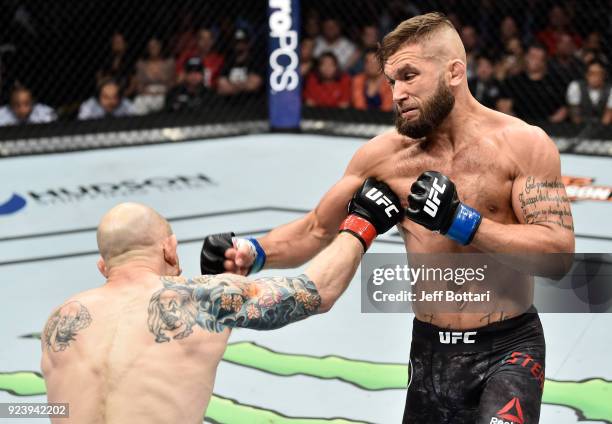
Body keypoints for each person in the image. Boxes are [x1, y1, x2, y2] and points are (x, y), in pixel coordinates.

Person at [200, 13, 575, 423]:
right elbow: (316, 229)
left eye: (410, 76)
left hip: (509, 349)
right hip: (431, 352)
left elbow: (557, 256)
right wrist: (251, 254)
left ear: (454, 72)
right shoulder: (384, 158)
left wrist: (462, 222)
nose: (397, 93)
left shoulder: (523, 144)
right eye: (392, 80)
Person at [41, 189, 402, 424]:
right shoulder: (204, 299)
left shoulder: (62, 319)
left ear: (103, 267)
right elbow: (316, 291)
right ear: (169, 248)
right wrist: (363, 221)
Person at [497, 44, 567, 123]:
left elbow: (563, 109)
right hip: (518, 126)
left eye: (537, 58)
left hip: (548, 128)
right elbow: (503, 107)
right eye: (531, 56)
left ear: (543, 62)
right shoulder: (514, 81)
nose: (533, 60)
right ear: (526, 57)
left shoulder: (554, 82)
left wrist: (550, 123)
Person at [216, 29, 263, 101]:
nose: (240, 45)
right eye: (237, 42)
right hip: (228, 104)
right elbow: (221, 86)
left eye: (243, 42)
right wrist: (244, 85)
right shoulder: (228, 62)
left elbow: (254, 84)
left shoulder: (255, 61)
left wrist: (232, 87)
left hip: (251, 104)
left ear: (249, 43)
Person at [132, 37, 175, 115]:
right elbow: (139, 84)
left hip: (164, 93)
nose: (153, 48)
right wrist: (146, 92)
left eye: (155, 45)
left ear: (161, 46)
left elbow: (173, 82)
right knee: (138, 101)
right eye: (150, 46)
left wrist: (163, 91)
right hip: (147, 93)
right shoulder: (141, 63)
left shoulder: (169, 62)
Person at [566, 60, 612, 125]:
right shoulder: (576, 87)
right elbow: (575, 115)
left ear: (604, 75)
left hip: (603, 129)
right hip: (580, 128)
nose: (595, 77)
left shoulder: (610, 90)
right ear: (586, 75)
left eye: (599, 74)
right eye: (592, 73)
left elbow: (608, 116)